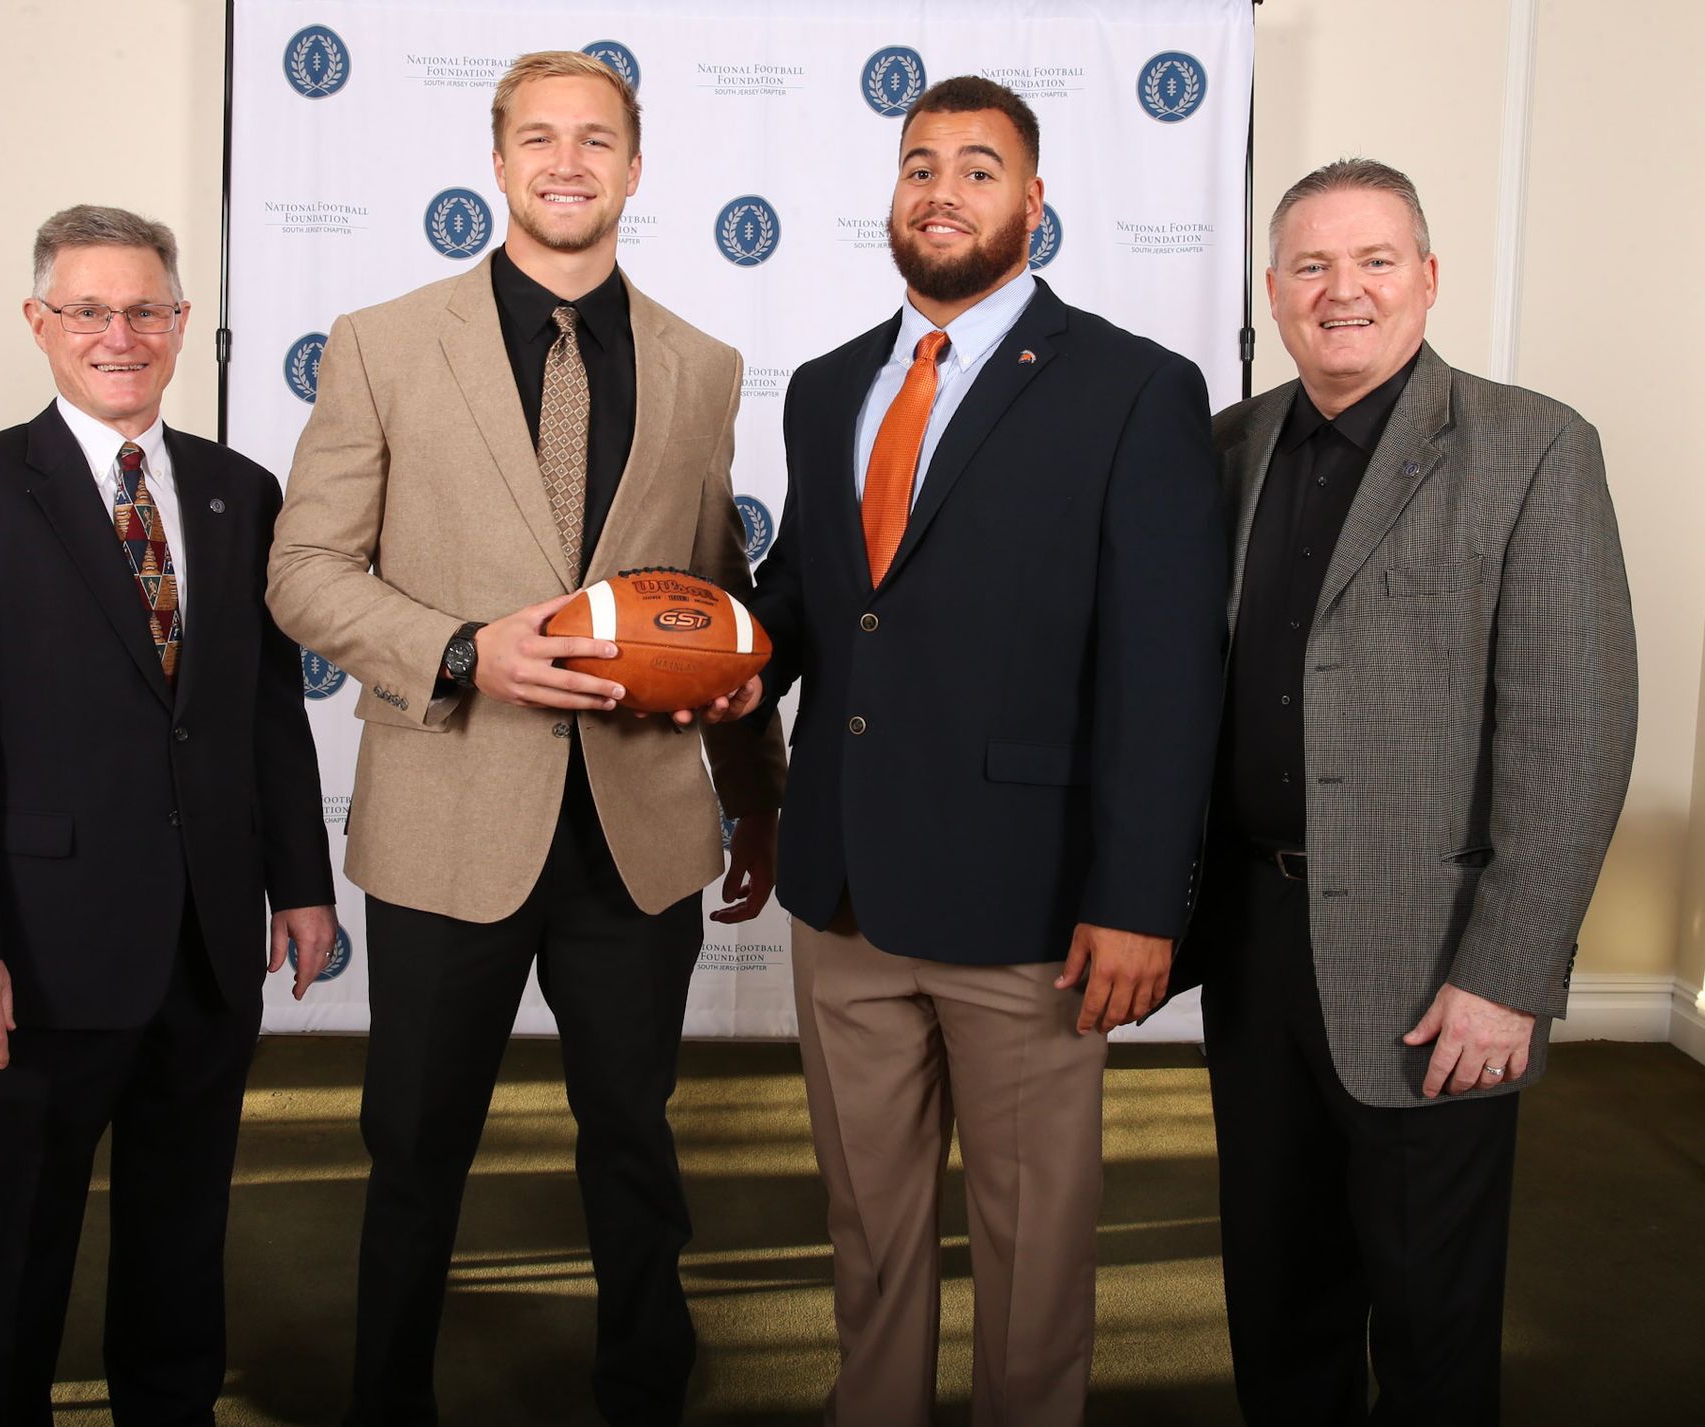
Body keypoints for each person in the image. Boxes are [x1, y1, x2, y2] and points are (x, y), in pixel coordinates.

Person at [266, 50, 785, 1427]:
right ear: (496, 163)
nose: (569, 161)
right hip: (447, 821)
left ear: (633, 166)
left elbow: (710, 593)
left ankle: (644, 1390)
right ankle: (391, 1396)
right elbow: (305, 570)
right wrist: (461, 649)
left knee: (633, 1140)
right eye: (540, 138)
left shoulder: (703, 365)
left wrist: (757, 784)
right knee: (415, 1148)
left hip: (640, 833)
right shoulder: (383, 341)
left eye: (597, 138)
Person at [745, 75, 1225, 1427]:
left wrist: (1139, 897)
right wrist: (715, 650)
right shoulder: (833, 384)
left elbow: (1166, 669)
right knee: (869, 1235)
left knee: (1032, 1252)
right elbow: (821, 601)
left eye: (978, 166)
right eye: (919, 165)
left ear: (1034, 202)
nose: (941, 190)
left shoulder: (1134, 388)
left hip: (1031, 907)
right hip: (843, 895)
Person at [1182, 157, 1636, 1423]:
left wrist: (1507, 971)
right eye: (1312, 265)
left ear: (1427, 279)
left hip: (1437, 966)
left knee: (1431, 1325)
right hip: (1255, 942)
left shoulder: (1532, 445)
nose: (1344, 291)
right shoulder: (1227, 449)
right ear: (1274, 291)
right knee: (1277, 1299)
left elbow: (1573, 731)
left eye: (1375, 260)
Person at [0, 204, 338, 1423]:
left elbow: (263, 713)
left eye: (144, 309)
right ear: (40, 322)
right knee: (7, 1253)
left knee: (181, 1243)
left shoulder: (243, 492)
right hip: (30, 957)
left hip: (203, 949)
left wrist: (299, 881)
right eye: (88, 309)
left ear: (182, 324)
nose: (118, 333)